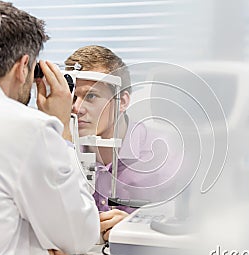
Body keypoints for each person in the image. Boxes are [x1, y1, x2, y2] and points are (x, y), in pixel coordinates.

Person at [0, 2, 99, 255]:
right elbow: (79, 235)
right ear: (23, 67)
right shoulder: (27, 128)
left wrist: (24, 248)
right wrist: (61, 127)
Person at [65, 45, 181, 241]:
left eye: (91, 96)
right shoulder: (65, 153)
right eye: (73, 97)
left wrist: (136, 228)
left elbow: (194, 228)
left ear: (123, 101)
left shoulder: (165, 156)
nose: (76, 108)